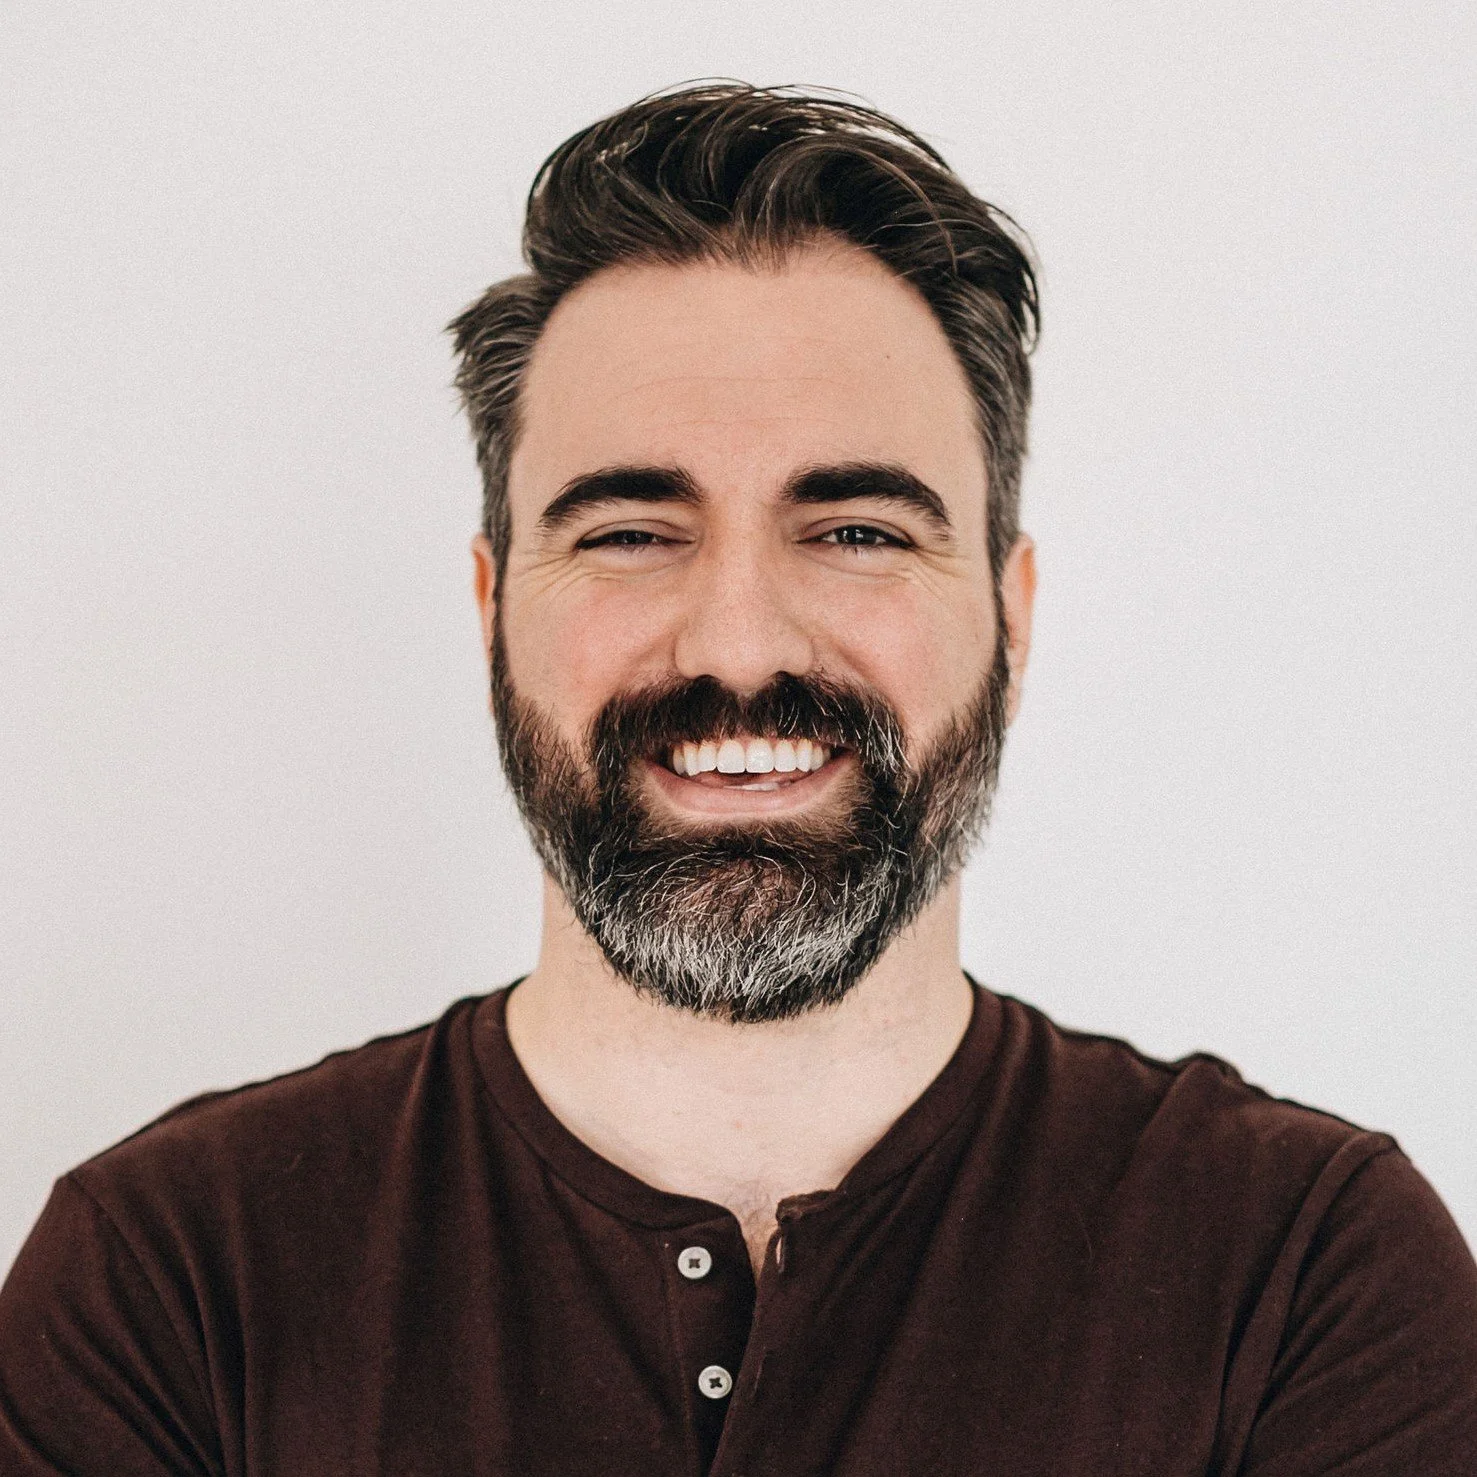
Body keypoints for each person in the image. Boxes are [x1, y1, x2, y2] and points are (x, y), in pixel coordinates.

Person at [1, 82, 1473, 1477]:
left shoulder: (1304, 1274)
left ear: (1011, 617)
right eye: (631, 533)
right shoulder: (170, 1282)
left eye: (858, 532)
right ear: (493, 607)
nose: (739, 642)